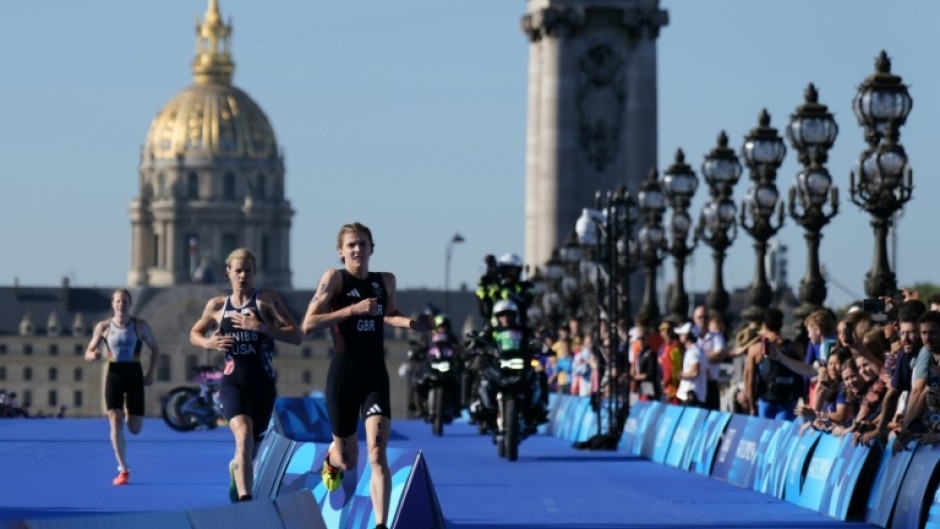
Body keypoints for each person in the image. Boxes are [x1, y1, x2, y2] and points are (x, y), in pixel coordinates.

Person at [302, 222, 432, 529]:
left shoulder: (384, 281)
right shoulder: (334, 279)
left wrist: (414, 324)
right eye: (351, 246)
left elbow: (389, 313)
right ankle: (331, 459)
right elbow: (308, 323)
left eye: (363, 244)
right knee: (348, 459)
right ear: (341, 252)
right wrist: (353, 310)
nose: (358, 250)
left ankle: (381, 524)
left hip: (374, 375)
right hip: (343, 376)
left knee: (376, 452)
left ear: (372, 248)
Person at [190, 248, 302, 502]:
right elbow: (194, 333)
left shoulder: (266, 300)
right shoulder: (218, 306)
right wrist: (209, 343)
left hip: (262, 384)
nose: (243, 276)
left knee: (252, 446)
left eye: (248, 271)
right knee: (243, 433)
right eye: (238, 271)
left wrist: (261, 326)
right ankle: (245, 500)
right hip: (232, 382)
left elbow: (295, 335)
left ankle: (237, 470)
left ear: (255, 273)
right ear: (228, 273)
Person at [84, 288, 160, 486]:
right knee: (114, 419)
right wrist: (93, 356)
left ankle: (128, 411)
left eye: (124, 301)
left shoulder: (140, 326)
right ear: (113, 304)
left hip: (134, 374)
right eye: (118, 301)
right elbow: (89, 351)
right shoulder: (103, 327)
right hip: (115, 374)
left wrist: (150, 372)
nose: (121, 304)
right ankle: (123, 468)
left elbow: (155, 348)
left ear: (130, 303)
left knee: (134, 429)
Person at [743, 308, 804, 420]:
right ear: (781, 324)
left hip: (765, 400)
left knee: (765, 434)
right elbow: (802, 373)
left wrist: (751, 406)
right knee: (782, 434)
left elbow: (750, 380)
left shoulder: (756, 349)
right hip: (786, 400)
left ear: (764, 325)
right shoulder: (795, 348)